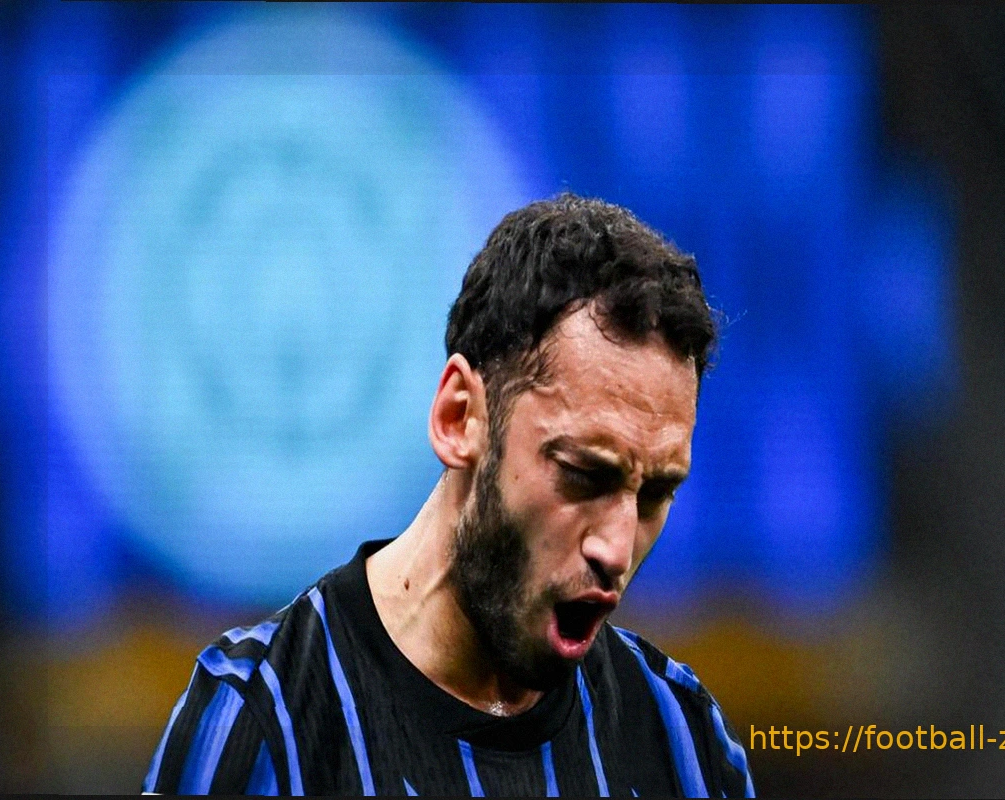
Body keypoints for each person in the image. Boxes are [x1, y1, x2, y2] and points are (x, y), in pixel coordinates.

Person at [143, 194, 754, 796]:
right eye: (583, 474)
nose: (616, 550)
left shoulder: (684, 742)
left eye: (655, 493)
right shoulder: (264, 721)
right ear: (460, 417)